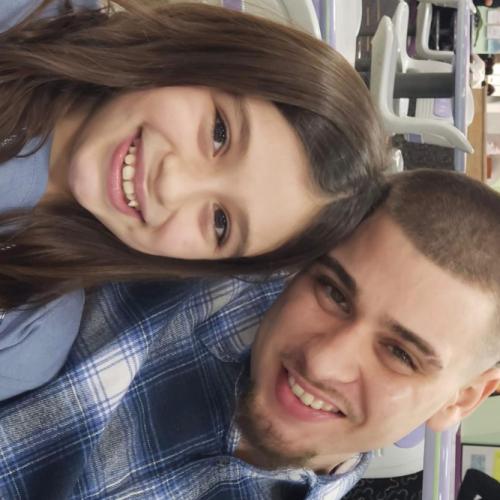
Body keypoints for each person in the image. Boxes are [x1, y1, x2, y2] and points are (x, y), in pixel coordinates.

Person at [1, 168, 499, 499]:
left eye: (400, 354)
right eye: (333, 293)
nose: (323, 361)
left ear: (462, 399)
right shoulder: (191, 249)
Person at [0, 0, 387, 399]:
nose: (171, 186)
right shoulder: (25, 13)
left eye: (221, 223)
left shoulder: (27, 337)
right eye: (220, 133)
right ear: (206, 57)